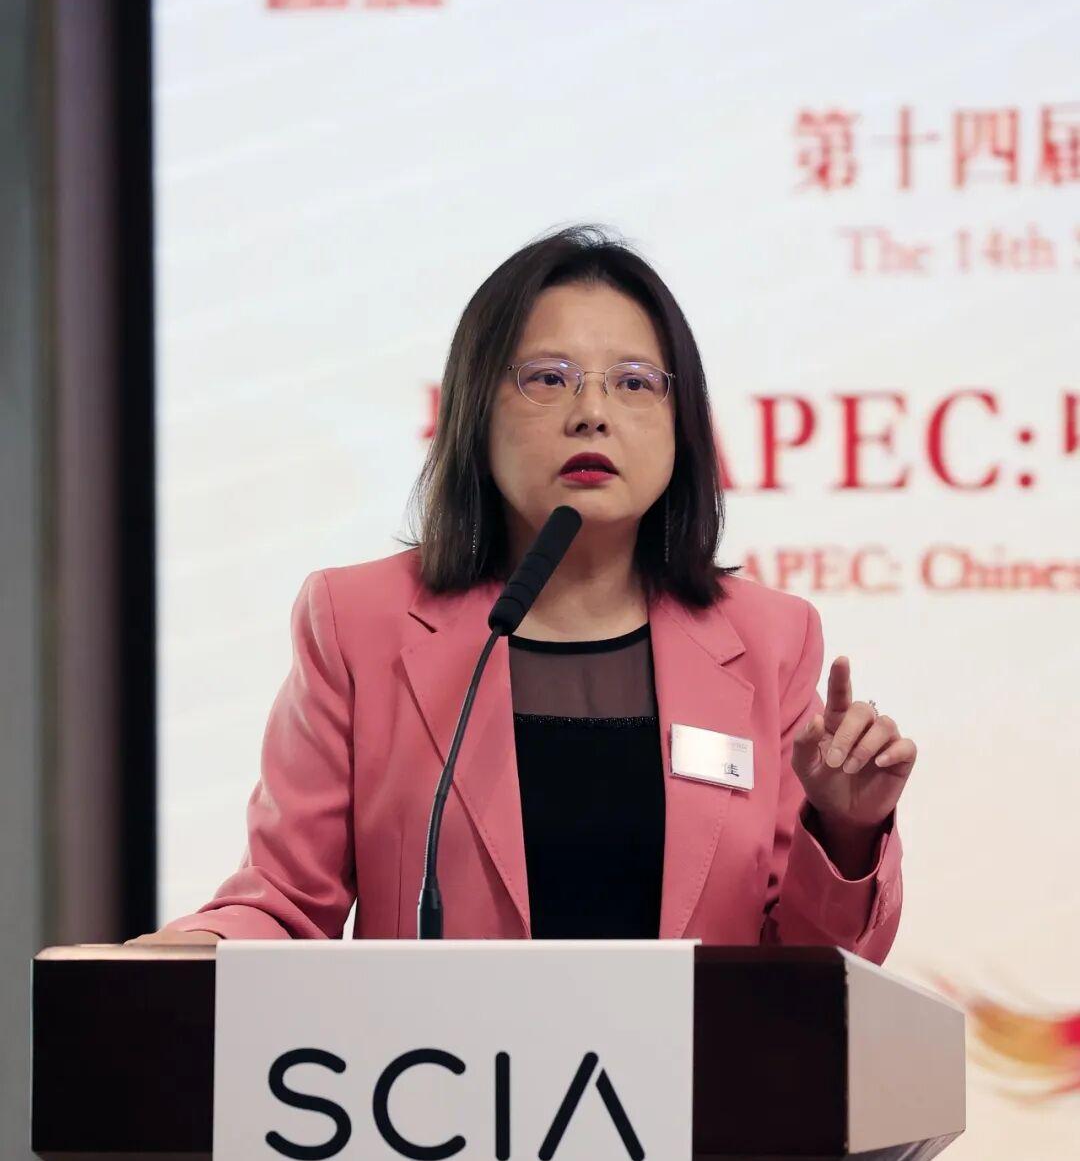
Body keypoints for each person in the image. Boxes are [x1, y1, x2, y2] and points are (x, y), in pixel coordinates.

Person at [130, 224, 914, 954]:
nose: (592, 413)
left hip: (699, 1062)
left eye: (634, 382)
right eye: (548, 378)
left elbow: (806, 969)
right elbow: (284, 902)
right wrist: (190, 954)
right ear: (474, 410)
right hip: (440, 1061)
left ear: (682, 425)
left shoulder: (769, 640)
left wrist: (845, 833)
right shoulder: (357, 623)